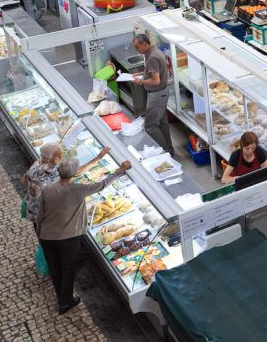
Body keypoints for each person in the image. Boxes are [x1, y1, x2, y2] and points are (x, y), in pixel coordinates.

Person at [35, 157, 131, 313]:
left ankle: (61, 297)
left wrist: (39, 232)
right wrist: (120, 171)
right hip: (68, 239)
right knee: (68, 269)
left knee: (55, 268)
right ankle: (65, 302)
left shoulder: (47, 189)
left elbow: (40, 215)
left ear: (59, 171)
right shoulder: (78, 189)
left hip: (47, 236)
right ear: (74, 174)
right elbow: (102, 185)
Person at [21, 142, 110, 229]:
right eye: (58, 156)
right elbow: (78, 172)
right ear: (48, 159)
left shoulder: (36, 163)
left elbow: (23, 181)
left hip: (31, 207)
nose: (61, 157)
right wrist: (97, 158)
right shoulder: (56, 171)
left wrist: (35, 193)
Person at [129, 34, 174, 155]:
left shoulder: (152, 57)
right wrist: (141, 74)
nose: (136, 50)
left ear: (145, 44)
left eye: (137, 47)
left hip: (157, 95)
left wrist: (140, 81)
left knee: (150, 126)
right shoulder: (155, 51)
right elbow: (154, 72)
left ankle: (165, 152)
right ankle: (169, 150)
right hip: (162, 93)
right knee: (162, 123)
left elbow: (155, 80)